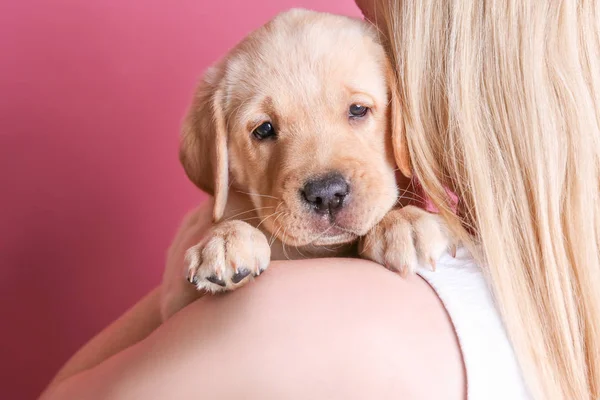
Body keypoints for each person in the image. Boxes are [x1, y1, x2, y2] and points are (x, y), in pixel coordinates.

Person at [40, 0, 600, 399]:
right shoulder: (544, 287)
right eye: (264, 131)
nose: (324, 182)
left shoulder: (302, 317)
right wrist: (227, 234)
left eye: (358, 112)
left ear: (409, 106)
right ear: (221, 158)